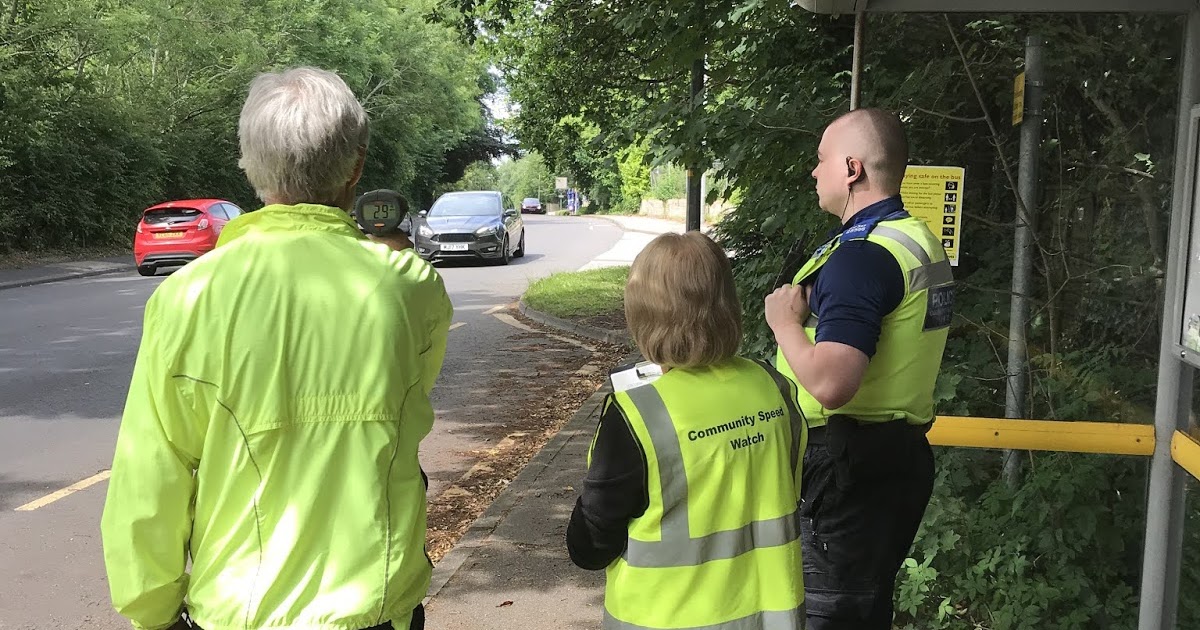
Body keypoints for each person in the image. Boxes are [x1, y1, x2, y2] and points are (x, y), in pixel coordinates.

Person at [101, 67, 453, 630]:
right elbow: (407, 400)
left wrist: (153, 611)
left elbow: (150, 476)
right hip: (376, 604)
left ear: (249, 165)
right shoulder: (411, 287)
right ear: (356, 166)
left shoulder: (187, 296)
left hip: (238, 610)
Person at [764, 108, 954, 629]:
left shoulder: (862, 257)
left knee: (831, 614)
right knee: (865, 612)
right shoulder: (915, 240)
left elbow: (832, 382)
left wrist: (784, 323)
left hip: (843, 472)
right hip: (891, 459)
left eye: (821, 159)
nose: (813, 171)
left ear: (852, 169)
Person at [567, 231, 808, 630]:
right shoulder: (773, 386)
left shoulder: (638, 414)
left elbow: (590, 547)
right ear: (728, 305)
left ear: (643, 315)